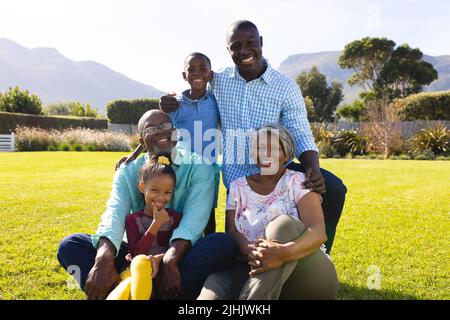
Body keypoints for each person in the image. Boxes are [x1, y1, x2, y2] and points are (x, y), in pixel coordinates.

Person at [160, 20, 347, 254]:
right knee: (234, 245)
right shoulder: (219, 81)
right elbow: (195, 85)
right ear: (228, 51)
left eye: (250, 43)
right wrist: (170, 102)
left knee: (333, 187)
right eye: (236, 46)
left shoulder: (285, 87)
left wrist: (313, 168)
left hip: (275, 172)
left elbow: (299, 130)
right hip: (238, 178)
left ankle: (319, 254)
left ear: (261, 43)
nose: (244, 51)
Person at [57, 110, 236, 300]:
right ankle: (138, 289)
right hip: (135, 254)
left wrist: (169, 259)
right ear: (142, 141)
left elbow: (194, 220)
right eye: (152, 129)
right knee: (70, 245)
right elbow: (115, 213)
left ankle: (136, 292)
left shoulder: (199, 166)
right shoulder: (129, 170)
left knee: (222, 244)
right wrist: (104, 257)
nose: (161, 132)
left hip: (179, 253)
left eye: (166, 126)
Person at [198, 125, 338, 300]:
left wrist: (281, 254)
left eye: (274, 149)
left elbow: (318, 232)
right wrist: (251, 250)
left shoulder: (299, 182)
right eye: (260, 147)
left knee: (283, 224)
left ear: (286, 154)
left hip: (308, 276)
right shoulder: (237, 186)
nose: (266, 153)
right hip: (251, 267)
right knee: (216, 283)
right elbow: (232, 231)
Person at [117, 53, 220, 236]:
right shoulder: (175, 105)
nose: (197, 73)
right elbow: (156, 134)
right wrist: (133, 155)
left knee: (207, 213)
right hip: (182, 166)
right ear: (183, 75)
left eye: (203, 69)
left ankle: (208, 249)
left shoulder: (215, 101)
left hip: (209, 167)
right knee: (181, 209)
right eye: (191, 69)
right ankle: (173, 243)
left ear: (210, 74)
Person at [107, 157, 182, 300]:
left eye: (167, 192)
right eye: (155, 190)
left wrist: (160, 258)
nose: (161, 197)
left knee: (131, 283)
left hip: (160, 273)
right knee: (130, 278)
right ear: (142, 188)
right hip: (135, 270)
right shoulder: (133, 219)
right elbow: (136, 253)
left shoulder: (175, 218)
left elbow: (179, 248)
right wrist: (156, 224)